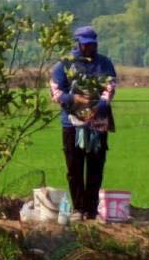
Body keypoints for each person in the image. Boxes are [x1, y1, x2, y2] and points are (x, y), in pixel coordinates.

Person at [49, 25, 117, 221]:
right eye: (86, 44)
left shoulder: (104, 63)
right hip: (72, 124)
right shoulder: (64, 64)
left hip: (98, 122)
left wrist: (100, 104)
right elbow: (56, 92)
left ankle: (91, 209)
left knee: (96, 167)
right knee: (74, 167)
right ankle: (79, 208)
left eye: (93, 44)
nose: (90, 48)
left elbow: (110, 87)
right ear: (78, 44)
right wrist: (75, 100)